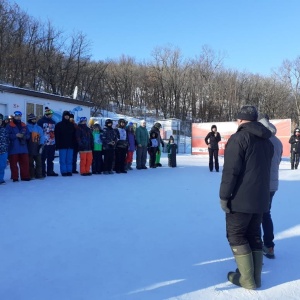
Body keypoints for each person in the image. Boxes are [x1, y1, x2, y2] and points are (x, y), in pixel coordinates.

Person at [219, 105, 274, 290]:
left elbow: (230, 172)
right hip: (261, 198)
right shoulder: (268, 141)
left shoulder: (239, 138)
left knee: (236, 235)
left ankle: (247, 280)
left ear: (241, 120)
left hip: (241, 199)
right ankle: (255, 278)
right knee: (253, 234)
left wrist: (224, 196)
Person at [258, 113, 283, 259]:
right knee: (266, 214)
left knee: (258, 215)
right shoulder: (278, 141)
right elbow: (278, 161)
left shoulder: (263, 140)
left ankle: (260, 246)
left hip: (262, 184)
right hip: (273, 185)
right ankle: (269, 246)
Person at [6, 111, 31, 182]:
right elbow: (6, 135)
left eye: (20, 115)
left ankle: (25, 176)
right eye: (17, 116)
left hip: (23, 148)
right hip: (13, 148)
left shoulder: (24, 125)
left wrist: (24, 137)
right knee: (13, 165)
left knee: (25, 164)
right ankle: (15, 177)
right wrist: (15, 135)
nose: (18, 117)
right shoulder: (9, 125)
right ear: (14, 116)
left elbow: (28, 135)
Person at [37, 107, 58, 177]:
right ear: (46, 114)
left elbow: (55, 132)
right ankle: (43, 171)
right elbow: (38, 132)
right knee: (43, 158)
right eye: (49, 114)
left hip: (52, 142)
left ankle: (50, 171)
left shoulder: (53, 122)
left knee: (51, 158)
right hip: (44, 143)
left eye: (51, 114)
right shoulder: (41, 121)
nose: (50, 115)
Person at [54, 111, 76, 176]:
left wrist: (74, 144)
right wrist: (57, 145)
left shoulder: (72, 125)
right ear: (63, 116)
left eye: (68, 116)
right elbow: (57, 135)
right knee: (62, 159)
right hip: (62, 145)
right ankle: (63, 171)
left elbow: (74, 136)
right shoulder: (59, 125)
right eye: (65, 115)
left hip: (70, 145)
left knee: (69, 159)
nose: (67, 117)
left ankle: (69, 171)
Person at [26, 113, 44, 179]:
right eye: (32, 119)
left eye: (34, 119)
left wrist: (41, 144)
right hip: (29, 147)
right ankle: (31, 175)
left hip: (37, 146)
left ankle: (39, 175)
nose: (34, 120)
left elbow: (42, 136)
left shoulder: (38, 128)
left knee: (39, 162)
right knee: (30, 163)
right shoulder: (26, 127)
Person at [0, 113, 9, 185]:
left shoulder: (4, 129)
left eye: (0, 120)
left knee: (2, 165)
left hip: (3, 150)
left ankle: (1, 179)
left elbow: (7, 139)